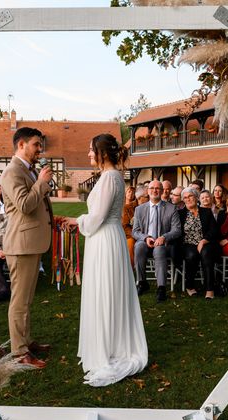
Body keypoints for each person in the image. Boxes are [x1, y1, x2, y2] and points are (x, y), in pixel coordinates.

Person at [65, 133, 147, 387]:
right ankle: (105, 343)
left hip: (106, 238)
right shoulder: (109, 177)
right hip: (101, 239)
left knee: (106, 291)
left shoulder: (111, 178)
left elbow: (98, 216)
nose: (89, 154)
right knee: (102, 291)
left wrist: (76, 221)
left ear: (102, 153)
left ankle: (111, 347)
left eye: (91, 150)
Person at [0, 127, 53, 368]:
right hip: (20, 245)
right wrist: (42, 183)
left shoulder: (26, 170)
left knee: (27, 300)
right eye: (35, 145)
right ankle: (20, 352)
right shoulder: (12, 171)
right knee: (19, 302)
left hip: (31, 243)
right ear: (21, 145)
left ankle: (26, 341)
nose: (39, 149)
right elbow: (24, 205)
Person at [133, 180, 182, 302]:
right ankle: (142, 282)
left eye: (157, 188)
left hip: (162, 242)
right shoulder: (140, 209)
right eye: (152, 188)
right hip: (145, 241)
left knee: (159, 251)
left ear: (162, 191)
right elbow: (135, 231)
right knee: (138, 247)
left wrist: (164, 237)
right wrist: (145, 238)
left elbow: (177, 230)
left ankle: (161, 288)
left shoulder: (171, 208)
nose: (155, 190)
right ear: (148, 191)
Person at [178, 188, 218, 299]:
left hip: (205, 242)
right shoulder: (179, 214)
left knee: (206, 254)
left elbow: (214, 230)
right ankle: (189, 286)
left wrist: (204, 240)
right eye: (185, 197)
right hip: (187, 243)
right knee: (192, 255)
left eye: (190, 196)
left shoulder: (206, 211)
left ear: (196, 197)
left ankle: (209, 289)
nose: (188, 199)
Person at [122, 186, 138, 267]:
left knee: (131, 242)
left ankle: (131, 267)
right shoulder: (121, 205)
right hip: (123, 231)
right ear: (125, 193)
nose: (131, 194)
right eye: (129, 192)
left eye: (133, 192)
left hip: (133, 232)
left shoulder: (136, 206)